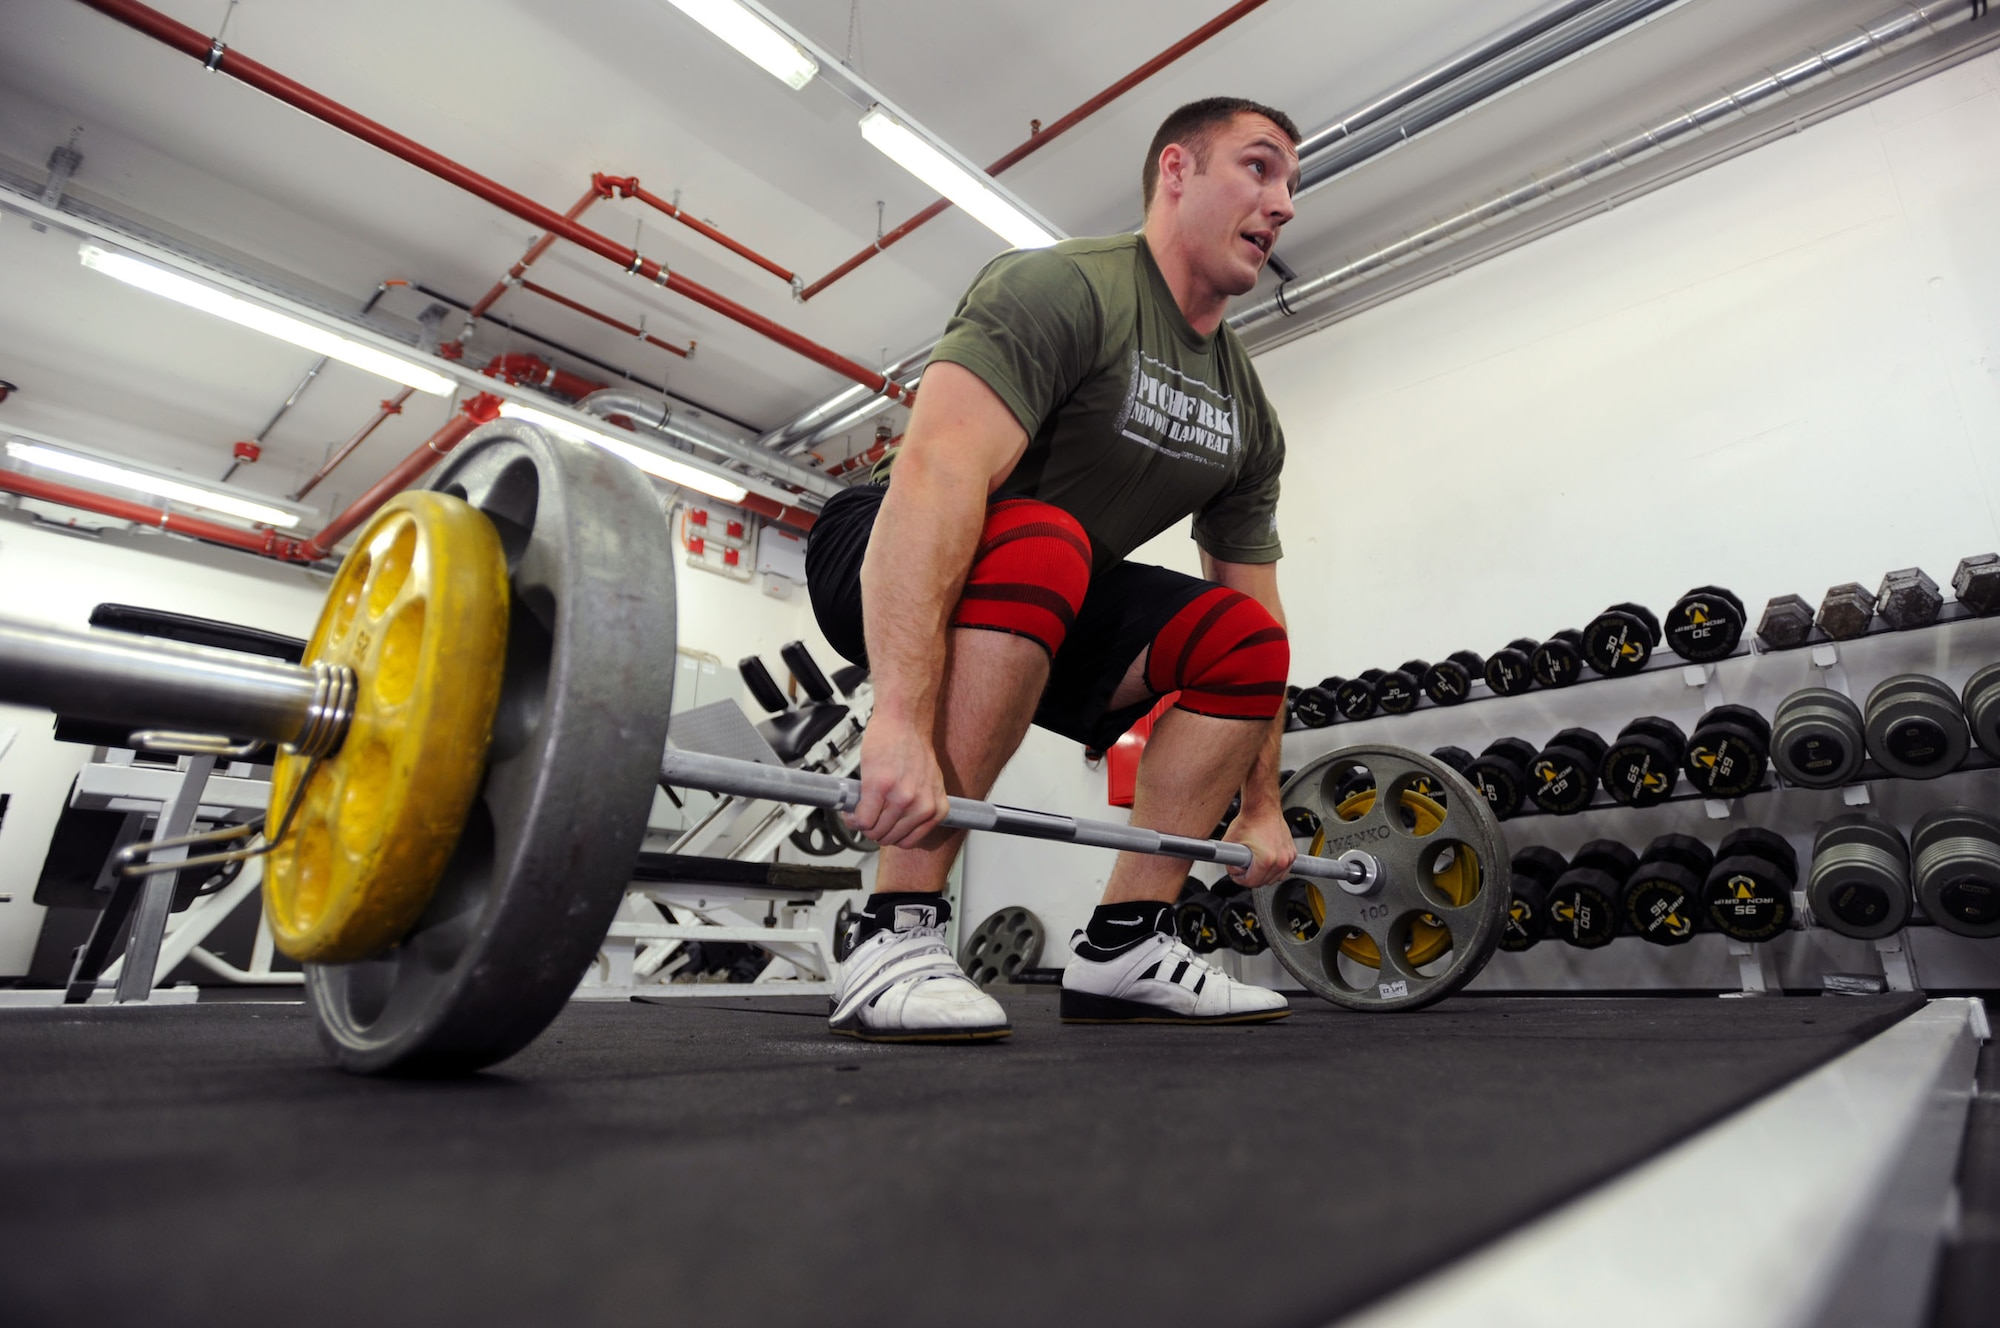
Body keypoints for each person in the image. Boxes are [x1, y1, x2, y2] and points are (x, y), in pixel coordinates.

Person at [805, 97, 1302, 1042]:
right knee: (1046, 537)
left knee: (1243, 642)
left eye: (1290, 185)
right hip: (888, 544)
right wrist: (900, 719)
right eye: (1260, 167)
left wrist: (1264, 804)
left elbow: (1258, 604)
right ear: (1177, 170)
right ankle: (890, 927)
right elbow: (938, 472)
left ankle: (1127, 941)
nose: (1282, 204)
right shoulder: (1064, 289)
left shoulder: (1247, 415)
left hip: (1046, 590)